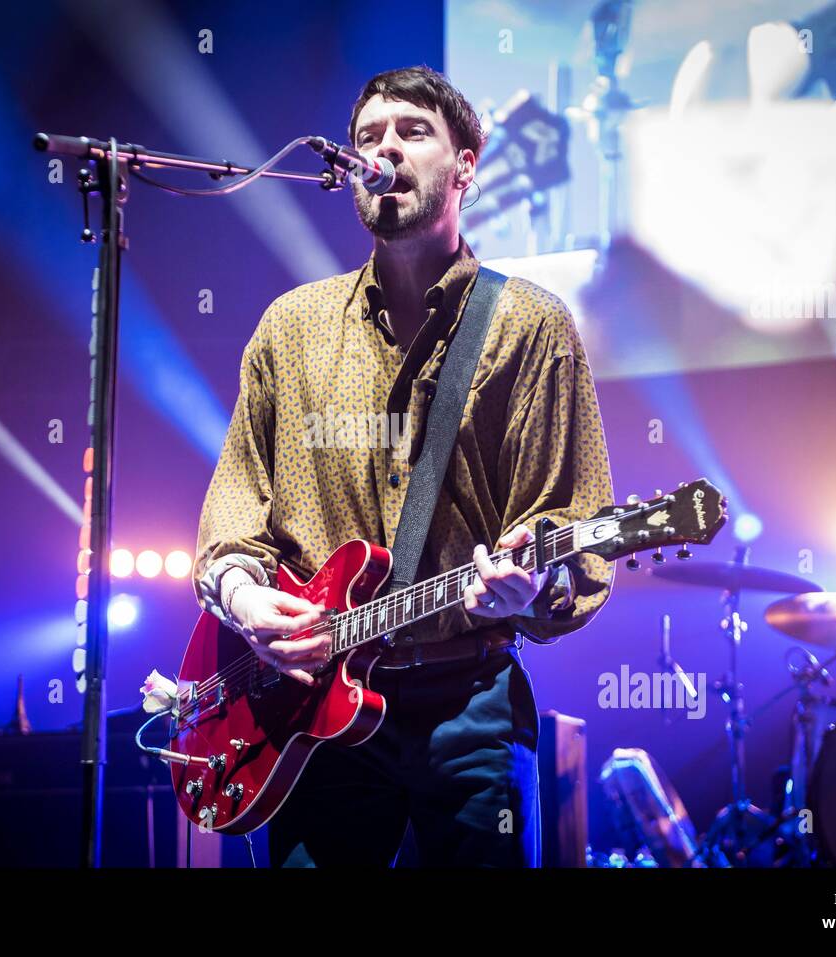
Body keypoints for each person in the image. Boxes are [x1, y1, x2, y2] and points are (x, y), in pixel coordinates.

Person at [192, 65, 614, 867]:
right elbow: (234, 509)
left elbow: (572, 524)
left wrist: (536, 582)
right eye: (366, 138)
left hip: (470, 701)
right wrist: (249, 599)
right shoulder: (292, 327)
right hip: (311, 712)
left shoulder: (529, 325)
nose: (383, 149)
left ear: (465, 167)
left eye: (412, 132)